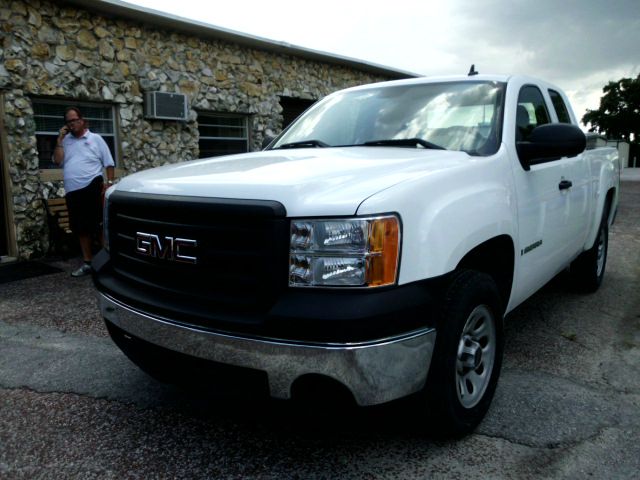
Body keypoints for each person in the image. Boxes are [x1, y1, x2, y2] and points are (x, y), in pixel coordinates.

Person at [53, 106, 115, 277]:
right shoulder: (65, 141)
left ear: (82, 120)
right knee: (81, 229)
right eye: (68, 121)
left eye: (74, 120)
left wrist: (109, 183)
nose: (72, 123)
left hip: (92, 186)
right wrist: (59, 139)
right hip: (73, 191)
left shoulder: (95, 139)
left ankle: (107, 262)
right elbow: (58, 161)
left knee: (98, 225)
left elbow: (109, 163)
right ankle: (88, 263)